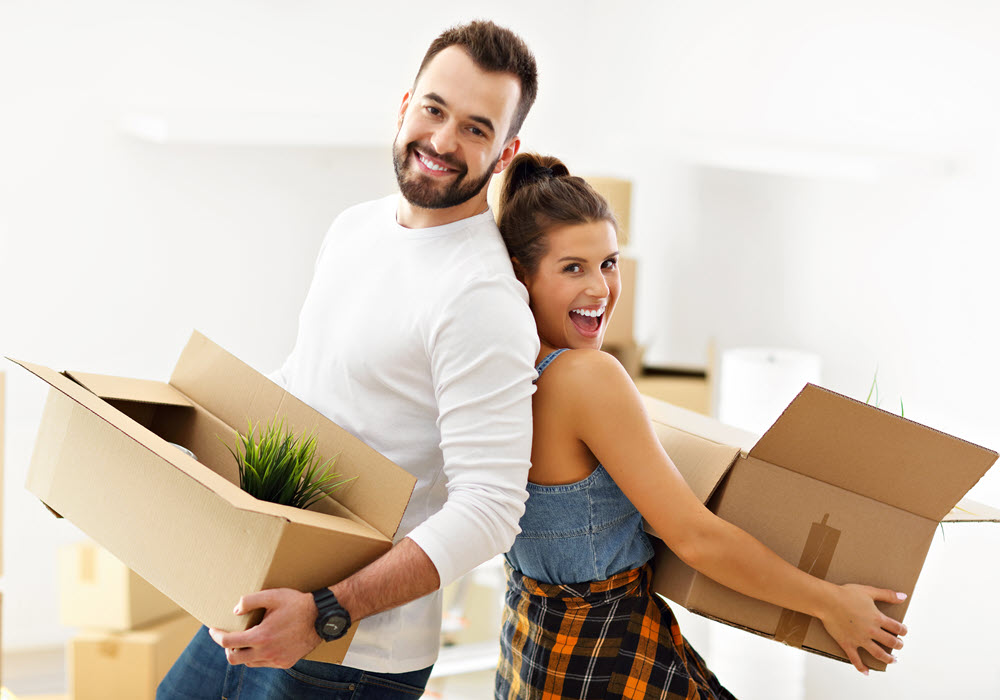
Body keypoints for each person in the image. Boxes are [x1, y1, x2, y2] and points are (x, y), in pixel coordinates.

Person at [158, 20, 540, 699]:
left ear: (504, 152)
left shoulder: (481, 297)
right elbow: (308, 389)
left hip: (349, 651)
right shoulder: (356, 227)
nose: (442, 141)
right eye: (434, 110)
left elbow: (490, 507)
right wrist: (168, 438)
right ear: (405, 107)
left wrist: (326, 611)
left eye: (475, 129)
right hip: (262, 589)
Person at [492, 153, 909, 699]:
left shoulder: (501, 374)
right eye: (573, 268)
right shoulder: (586, 377)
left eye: (609, 263)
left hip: (532, 651)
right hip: (605, 659)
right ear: (521, 275)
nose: (600, 289)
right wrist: (831, 603)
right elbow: (695, 538)